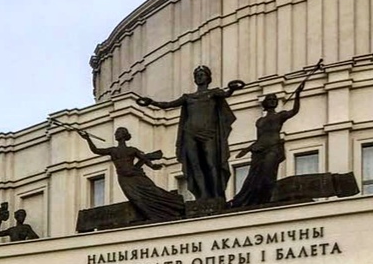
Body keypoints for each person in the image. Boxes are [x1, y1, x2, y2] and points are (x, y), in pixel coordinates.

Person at [137, 65, 245, 202]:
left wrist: (233, 88)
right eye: (197, 75)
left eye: (202, 74)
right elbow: (168, 104)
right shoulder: (188, 97)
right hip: (190, 133)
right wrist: (151, 102)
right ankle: (203, 194)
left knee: (211, 163)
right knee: (195, 164)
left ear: (208, 77)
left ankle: (217, 194)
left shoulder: (213, 93)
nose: (199, 77)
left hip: (209, 133)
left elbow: (227, 93)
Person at [230, 61, 323, 209]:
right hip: (258, 150)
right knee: (253, 178)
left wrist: (298, 94)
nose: (273, 101)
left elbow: (294, 111)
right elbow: (260, 138)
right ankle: (251, 200)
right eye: (270, 99)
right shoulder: (260, 120)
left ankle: (267, 198)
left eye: (274, 99)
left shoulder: (280, 115)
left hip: (273, 148)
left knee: (268, 173)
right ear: (265, 104)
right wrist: (247, 149)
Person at [77, 126, 186, 223]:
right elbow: (96, 150)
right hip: (124, 178)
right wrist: (88, 139)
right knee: (135, 198)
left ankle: (172, 207)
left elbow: (144, 159)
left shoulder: (132, 150)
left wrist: (153, 166)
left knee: (153, 191)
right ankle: (154, 215)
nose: (116, 134)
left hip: (135, 176)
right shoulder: (112, 150)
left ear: (124, 135)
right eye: (116, 132)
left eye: (118, 132)